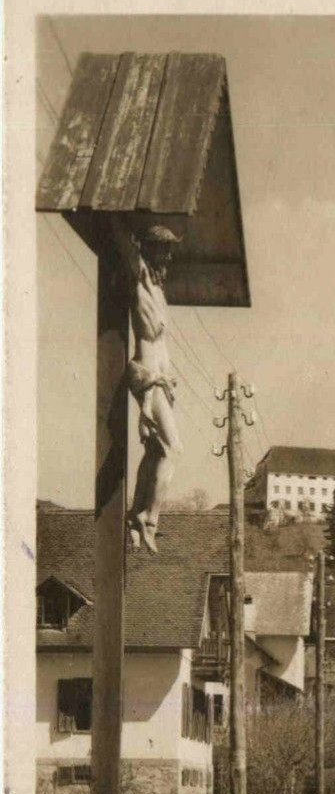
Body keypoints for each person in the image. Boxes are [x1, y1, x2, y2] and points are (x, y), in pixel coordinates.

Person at [111, 218, 184, 555]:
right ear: (150, 250)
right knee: (173, 448)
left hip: (159, 381)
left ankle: (134, 517)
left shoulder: (157, 291)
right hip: (147, 378)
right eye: (164, 250)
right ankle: (148, 518)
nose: (168, 258)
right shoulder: (141, 284)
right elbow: (127, 246)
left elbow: (162, 345)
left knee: (156, 450)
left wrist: (168, 380)